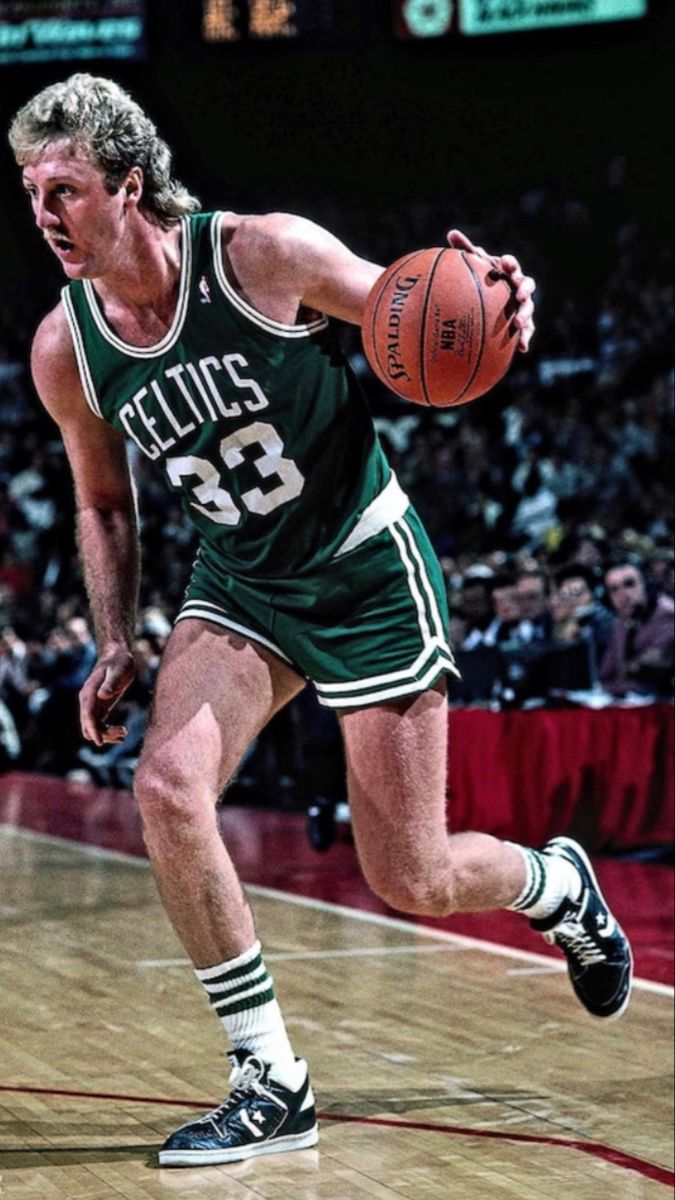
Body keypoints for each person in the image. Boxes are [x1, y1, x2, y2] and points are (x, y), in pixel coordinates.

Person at [9, 74, 632, 1169]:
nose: (43, 213)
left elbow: (407, 302)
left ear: (131, 184)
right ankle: (270, 1076)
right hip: (242, 582)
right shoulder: (66, 350)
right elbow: (105, 503)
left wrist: (492, 297)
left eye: (64, 187)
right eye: (29, 190)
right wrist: (115, 635)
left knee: (414, 877)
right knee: (166, 787)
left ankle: (557, 884)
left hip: (361, 566)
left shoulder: (260, 256)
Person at [599, 559, 674, 697]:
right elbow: (605, 675)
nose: (622, 594)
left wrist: (620, 683)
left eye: (629, 584)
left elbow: (646, 674)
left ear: (646, 584)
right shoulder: (621, 623)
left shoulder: (668, 615)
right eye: (614, 589)